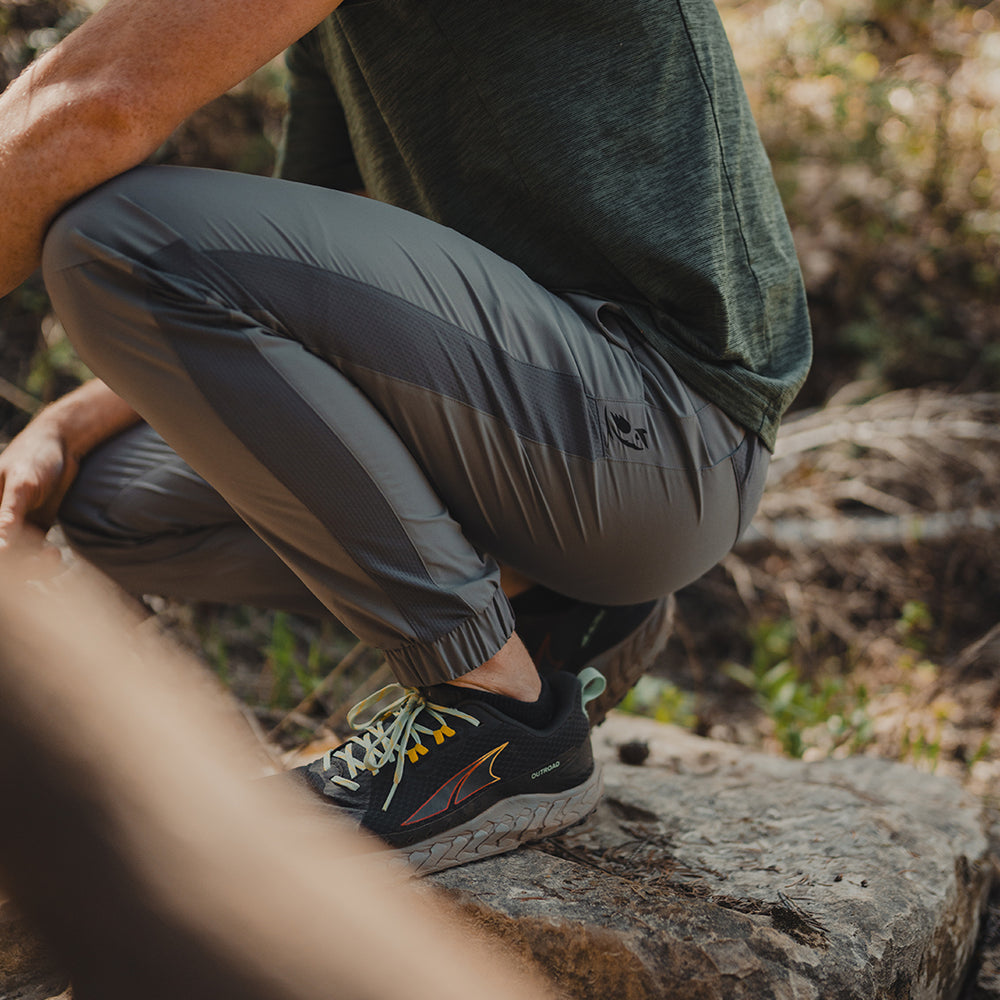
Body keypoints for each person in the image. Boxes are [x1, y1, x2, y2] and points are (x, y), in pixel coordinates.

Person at [0, 0, 811, 872]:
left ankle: (495, 718)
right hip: (550, 429)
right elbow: (300, 241)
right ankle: (553, 609)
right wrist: (71, 418)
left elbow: (93, 103)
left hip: (664, 430)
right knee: (110, 495)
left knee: (111, 239)